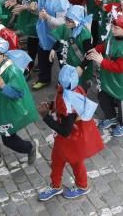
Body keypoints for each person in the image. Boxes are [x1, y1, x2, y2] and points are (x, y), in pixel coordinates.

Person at [36, 65, 104, 201]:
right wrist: (51, 105)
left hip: (71, 140)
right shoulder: (76, 90)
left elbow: (65, 131)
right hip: (70, 138)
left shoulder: (66, 102)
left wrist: (46, 116)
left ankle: (82, 186)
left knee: (75, 162)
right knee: (57, 160)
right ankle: (56, 185)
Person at [0, 38, 39, 170]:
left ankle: (30, 147)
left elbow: (19, 93)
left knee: (8, 139)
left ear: (4, 55)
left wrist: (4, 86)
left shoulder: (12, 71)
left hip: (7, 109)